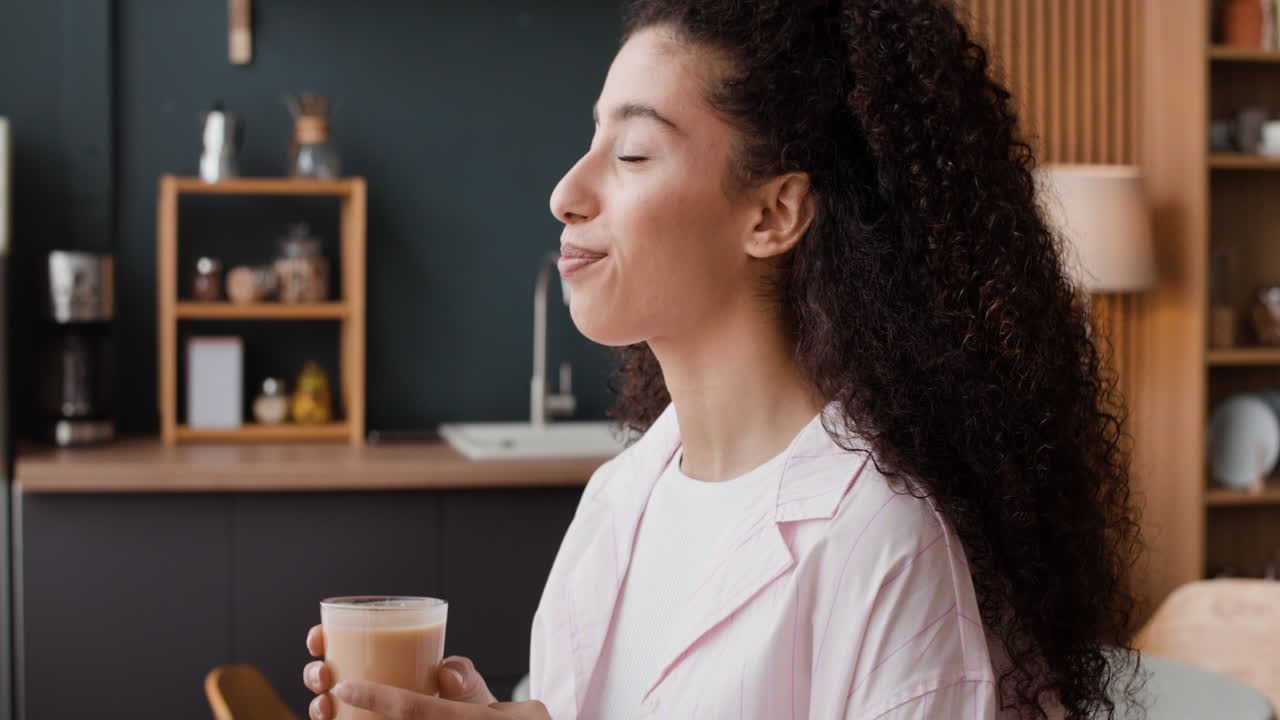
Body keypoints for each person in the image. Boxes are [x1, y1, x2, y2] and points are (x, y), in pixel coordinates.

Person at [302, 0, 1144, 717]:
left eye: (631, 153)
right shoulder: (619, 502)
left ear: (774, 214)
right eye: (591, 140)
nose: (567, 192)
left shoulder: (883, 545)